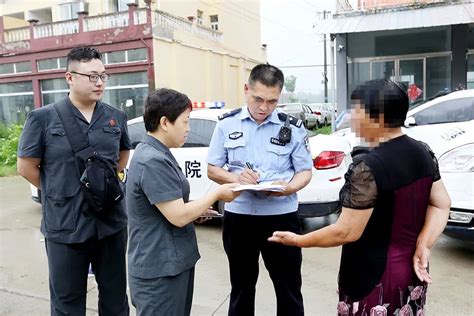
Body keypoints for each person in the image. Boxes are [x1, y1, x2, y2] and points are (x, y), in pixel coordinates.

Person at [269, 79, 451, 315]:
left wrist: (297, 241)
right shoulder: (423, 152)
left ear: (378, 118)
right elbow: (441, 204)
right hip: (412, 271)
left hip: (373, 277)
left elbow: (346, 231)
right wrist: (424, 244)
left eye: (357, 110)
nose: (352, 117)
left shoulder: (367, 167)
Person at [17, 47, 131, 315]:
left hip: (110, 223)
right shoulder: (43, 118)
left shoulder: (116, 117)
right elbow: (26, 167)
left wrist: (101, 186)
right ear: (70, 77)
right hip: (65, 226)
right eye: (92, 76)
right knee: (67, 303)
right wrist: (61, 189)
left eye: (103, 76)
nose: (100, 82)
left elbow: (122, 155)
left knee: (115, 300)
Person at [207, 64, 313, 316]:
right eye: (258, 99)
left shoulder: (294, 128)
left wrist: (289, 188)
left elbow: (305, 171)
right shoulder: (226, 124)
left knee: (288, 288)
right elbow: (212, 169)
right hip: (240, 218)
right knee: (242, 287)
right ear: (246, 90)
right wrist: (235, 177)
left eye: (272, 101)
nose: (264, 107)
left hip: (281, 218)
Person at [126, 88, 240, 316]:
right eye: (185, 122)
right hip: (159, 270)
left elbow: (168, 206)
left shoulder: (157, 152)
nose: (188, 129)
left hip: (170, 263)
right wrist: (216, 195)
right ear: (165, 122)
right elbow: (177, 216)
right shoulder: (152, 160)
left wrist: (197, 209)